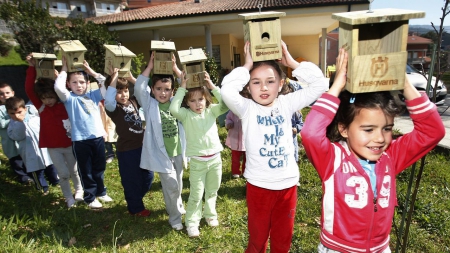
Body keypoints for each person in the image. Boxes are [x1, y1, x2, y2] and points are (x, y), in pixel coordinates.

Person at [300, 49, 445, 253]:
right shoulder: (332, 159)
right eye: (368, 130)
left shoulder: (390, 157)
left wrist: (403, 82)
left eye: (387, 128)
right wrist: (337, 86)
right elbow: (310, 134)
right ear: (343, 129)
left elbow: (432, 132)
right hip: (338, 249)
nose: (379, 138)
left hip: (379, 248)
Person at [220, 41, 328, 252]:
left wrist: (291, 62)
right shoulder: (246, 109)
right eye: (256, 82)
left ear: (280, 84)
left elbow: (320, 84)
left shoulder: (287, 104)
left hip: (287, 187)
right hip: (258, 187)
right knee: (257, 240)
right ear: (248, 87)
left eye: (270, 81)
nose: (263, 88)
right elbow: (226, 90)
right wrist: (246, 65)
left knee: (282, 241)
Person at [169, 67, 229, 238]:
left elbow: (226, 104)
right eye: (193, 101)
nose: (198, 104)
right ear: (187, 103)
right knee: (196, 194)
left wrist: (211, 86)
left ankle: (210, 215)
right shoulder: (185, 115)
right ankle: (192, 223)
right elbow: (173, 109)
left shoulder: (212, 111)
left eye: (201, 99)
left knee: (212, 190)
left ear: (206, 99)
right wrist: (182, 87)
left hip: (215, 160)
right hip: (198, 162)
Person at [134, 53, 187, 229]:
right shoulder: (150, 105)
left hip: (178, 151)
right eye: (158, 89)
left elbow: (188, 85)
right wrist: (149, 67)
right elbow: (139, 89)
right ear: (152, 89)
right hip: (161, 154)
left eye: (167, 89)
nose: (162, 93)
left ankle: (177, 205)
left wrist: (174, 68)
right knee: (171, 185)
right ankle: (175, 218)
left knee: (178, 183)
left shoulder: (176, 103)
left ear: (173, 90)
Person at [24, 54, 83, 207]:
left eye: (50, 97)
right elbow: (29, 88)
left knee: (74, 170)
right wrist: (31, 67)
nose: (48, 101)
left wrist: (60, 77)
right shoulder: (42, 107)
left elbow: (65, 90)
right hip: (53, 146)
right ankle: (68, 197)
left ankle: (79, 190)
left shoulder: (65, 103)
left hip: (69, 144)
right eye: (44, 98)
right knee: (62, 174)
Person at [54, 58, 113, 209]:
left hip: (97, 138)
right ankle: (90, 196)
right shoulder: (69, 98)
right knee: (86, 171)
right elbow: (58, 88)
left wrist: (91, 72)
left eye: (82, 82)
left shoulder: (93, 95)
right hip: (80, 141)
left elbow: (106, 85)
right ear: (69, 84)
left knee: (99, 167)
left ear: (87, 83)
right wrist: (64, 70)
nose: (78, 85)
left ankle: (101, 191)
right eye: (74, 82)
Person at [104, 67, 153, 216]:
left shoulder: (133, 102)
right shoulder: (113, 108)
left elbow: (146, 91)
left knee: (148, 177)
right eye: (118, 92)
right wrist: (115, 76)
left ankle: (135, 197)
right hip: (127, 151)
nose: (123, 95)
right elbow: (109, 99)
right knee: (131, 180)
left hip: (142, 147)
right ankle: (136, 208)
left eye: (125, 90)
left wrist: (132, 78)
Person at [6, 96, 59, 194]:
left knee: (51, 167)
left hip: (44, 150)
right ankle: (42, 188)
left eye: (19, 112)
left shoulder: (35, 119)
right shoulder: (12, 126)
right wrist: (20, 123)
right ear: (8, 113)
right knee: (37, 172)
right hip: (30, 153)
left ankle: (56, 182)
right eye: (12, 113)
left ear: (25, 109)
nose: (16, 116)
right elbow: (18, 136)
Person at [0, 82, 31, 184]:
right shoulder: (0, 109)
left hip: (22, 140)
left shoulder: (18, 105)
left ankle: (31, 174)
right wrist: (14, 118)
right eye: (1, 94)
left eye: (7, 93)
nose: (5, 96)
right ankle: (23, 177)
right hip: (10, 143)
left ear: (13, 93)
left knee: (26, 158)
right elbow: (1, 124)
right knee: (16, 161)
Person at [224, 110, 246, 179]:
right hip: (235, 138)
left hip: (246, 139)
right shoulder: (233, 110)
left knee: (247, 158)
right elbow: (228, 118)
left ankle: (245, 171)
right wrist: (229, 123)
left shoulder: (249, 110)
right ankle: (236, 172)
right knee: (235, 157)